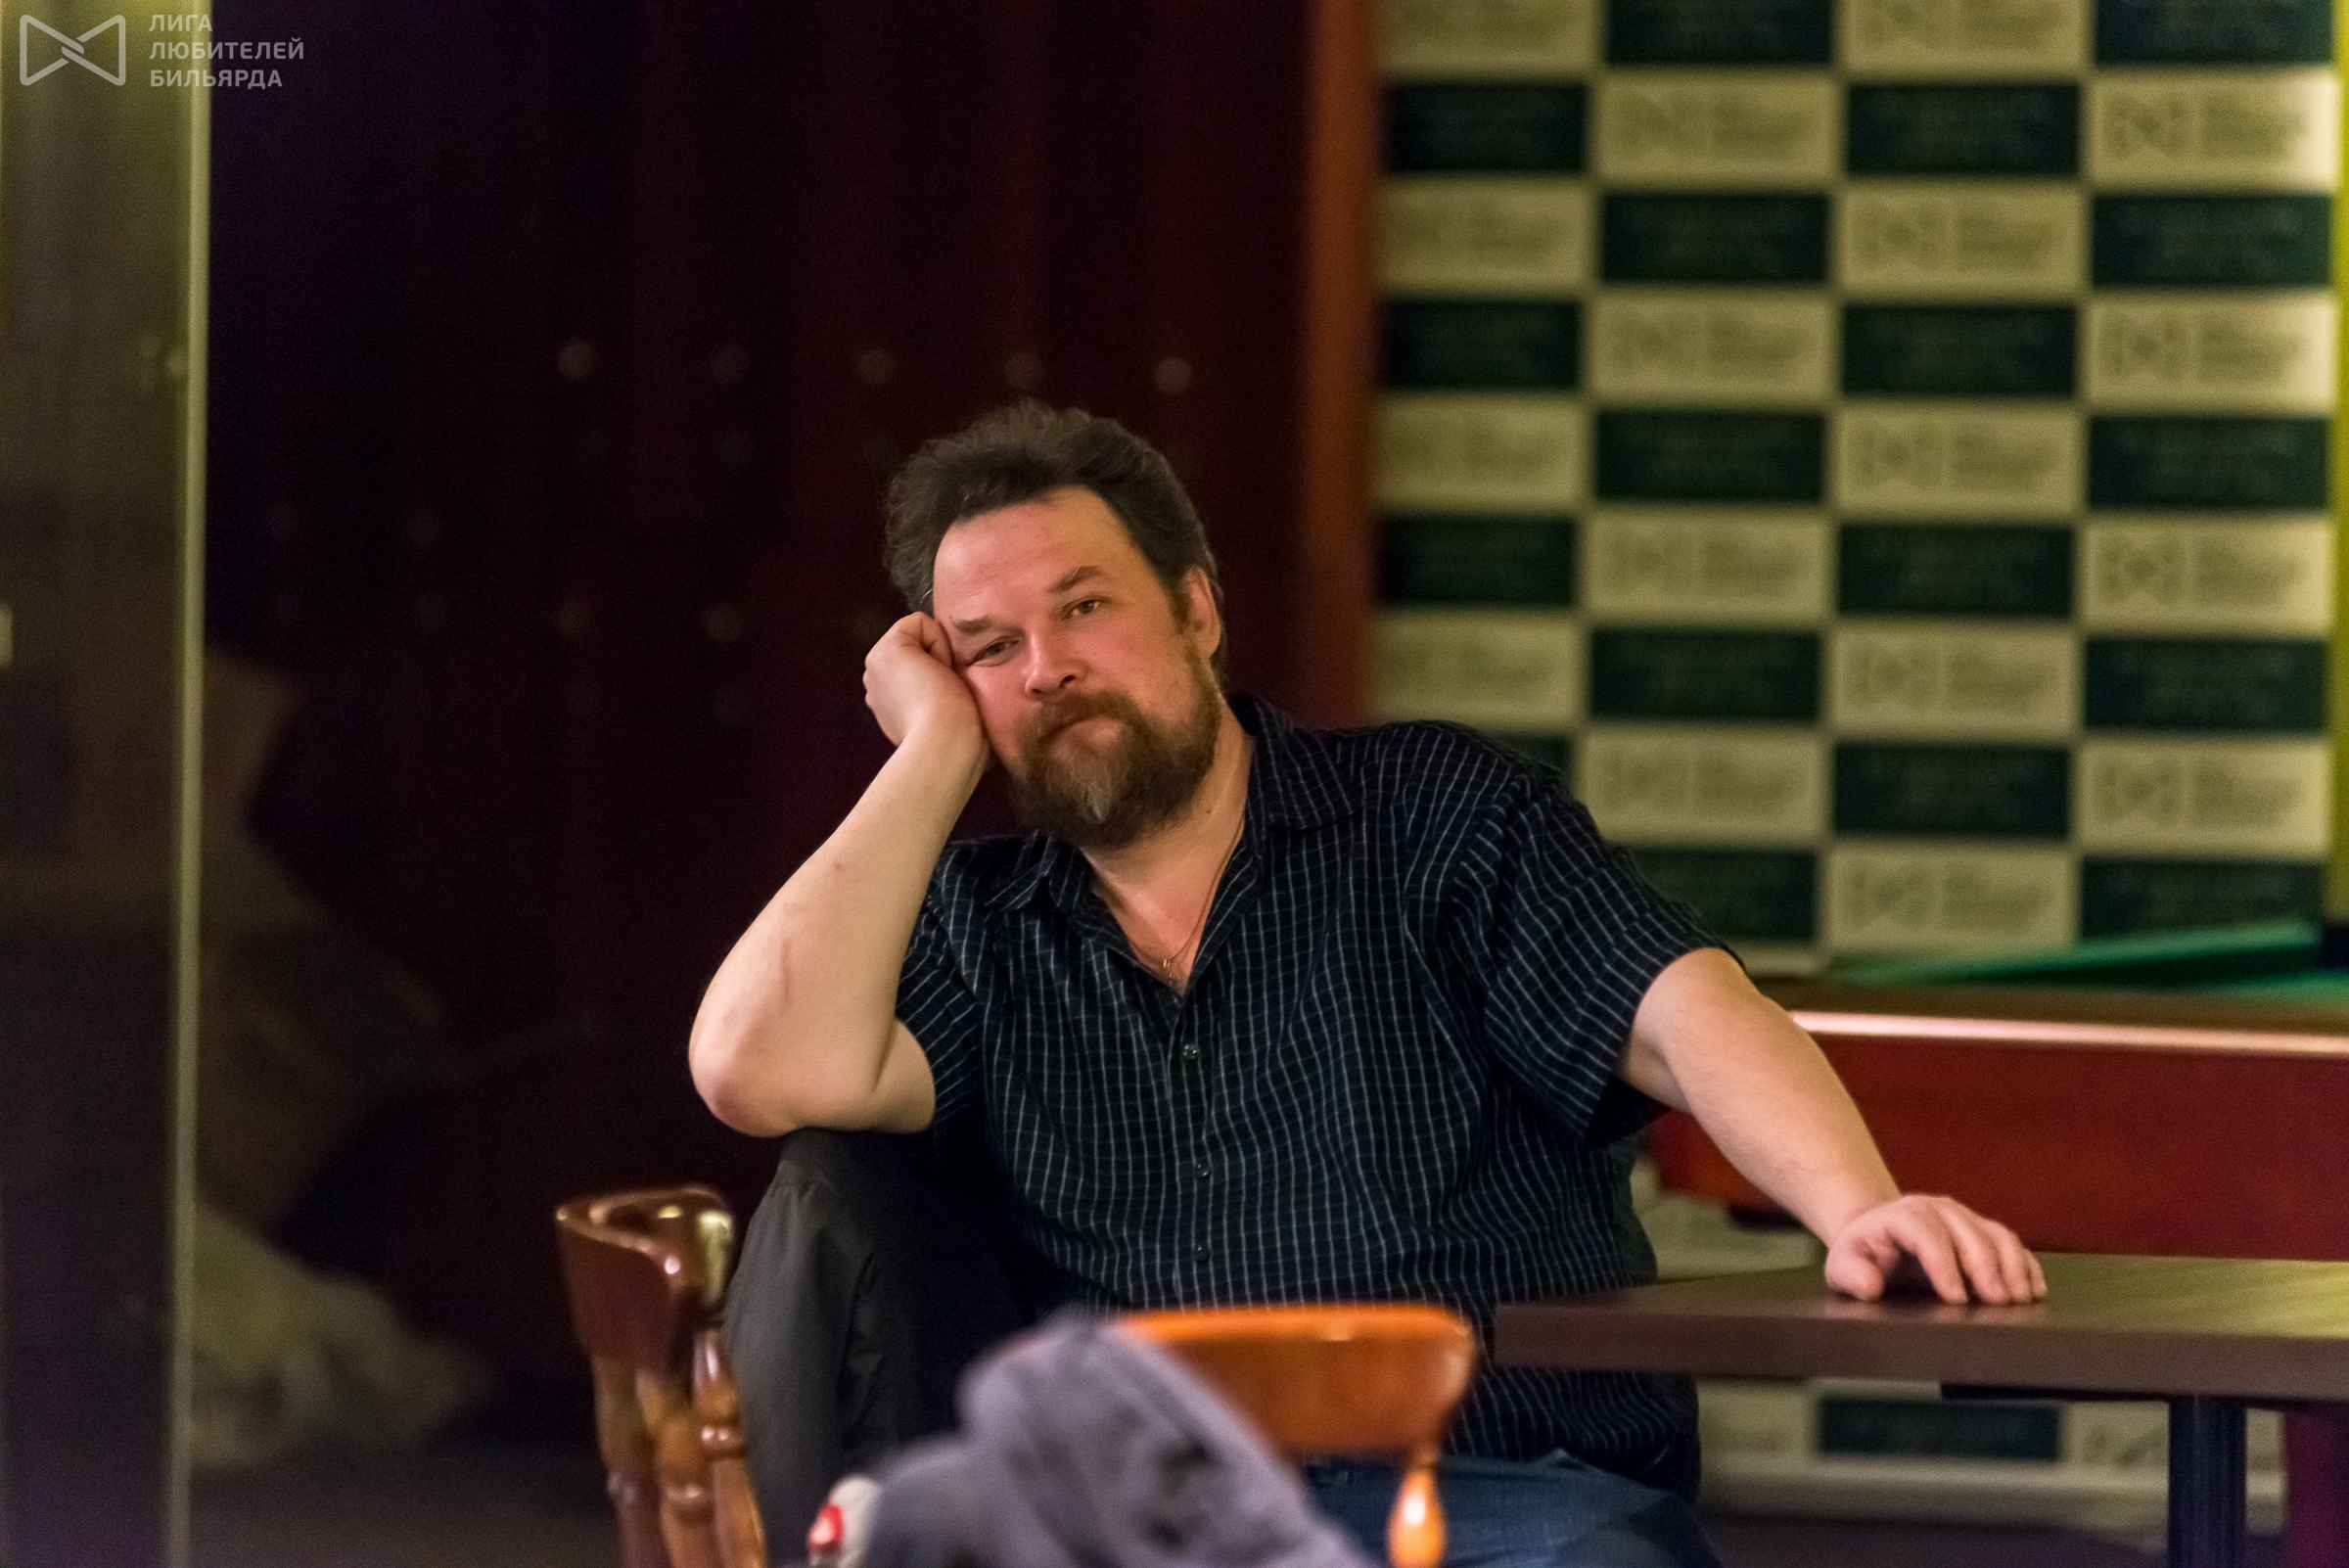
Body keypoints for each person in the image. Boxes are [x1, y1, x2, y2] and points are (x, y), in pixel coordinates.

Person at [691, 402, 2045, 1568]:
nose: (1047, 669)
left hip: (1494, 1498)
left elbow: (1687, 1015)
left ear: (1198, 609)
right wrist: (931, 757)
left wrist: (1857, 1205)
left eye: (1085, 607)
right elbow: (752, 1067)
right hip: (1161, 1517)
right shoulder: (980, 923)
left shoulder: (1437, 815)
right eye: (990, 648)